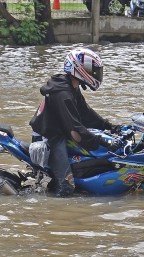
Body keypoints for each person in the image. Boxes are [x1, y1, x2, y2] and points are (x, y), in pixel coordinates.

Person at [29, 47, 122, 197]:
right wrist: (105, 142)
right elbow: (75, 130)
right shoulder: (63, 93)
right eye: (93, 70)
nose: (96, 74)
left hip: (60, 132)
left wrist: (109, 126)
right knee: (67, 187)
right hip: (50, 137)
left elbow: (86, 113)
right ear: (79, 68)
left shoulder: (71, 86)